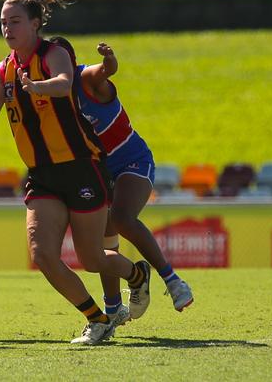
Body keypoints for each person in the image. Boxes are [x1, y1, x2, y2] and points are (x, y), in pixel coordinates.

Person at [0, 0, 149, 345]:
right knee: (43, 255)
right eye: (3, 22)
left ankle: (137, 273)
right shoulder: (4, 70)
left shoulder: (53, 50)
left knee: (93, 257)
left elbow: (63, 83)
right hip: (42, 174)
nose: (7, 28)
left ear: (36, 24)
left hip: (81, 167)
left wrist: (36, 87)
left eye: (15, 22)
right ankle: (97, 320)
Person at [50, 37, 194, 318]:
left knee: (121, 219)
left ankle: (173, 281)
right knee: (104, 241)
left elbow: (107, 70)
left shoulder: (84, 79)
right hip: (97, 171)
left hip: (132, 160)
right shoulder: (48, 93)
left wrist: (108, 59)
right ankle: (114, 307)